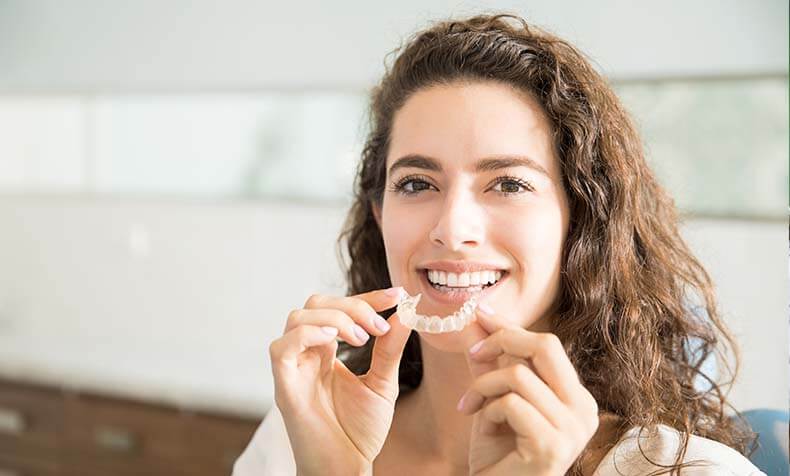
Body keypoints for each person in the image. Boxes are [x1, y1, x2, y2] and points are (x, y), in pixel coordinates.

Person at [234, 13, 765, 475]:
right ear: (380, 215)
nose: (452, 228)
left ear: (581, 222)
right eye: (417, 183)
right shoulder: (297, 439)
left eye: (509, 183)